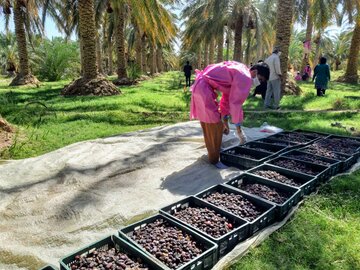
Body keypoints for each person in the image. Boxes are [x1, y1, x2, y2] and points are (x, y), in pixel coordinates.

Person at [190, 61, 270, 168]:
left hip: (201, 87)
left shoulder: (241, 70)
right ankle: (214, 160)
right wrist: (239, 130)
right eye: (259, 79)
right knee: (214, 126)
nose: (258, 83)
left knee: (210, 124)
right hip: (203, 89)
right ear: (254, 72)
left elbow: (226, 99)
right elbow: (236, 104)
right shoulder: (245, 77)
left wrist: (225, 121)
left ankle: (214, 151)